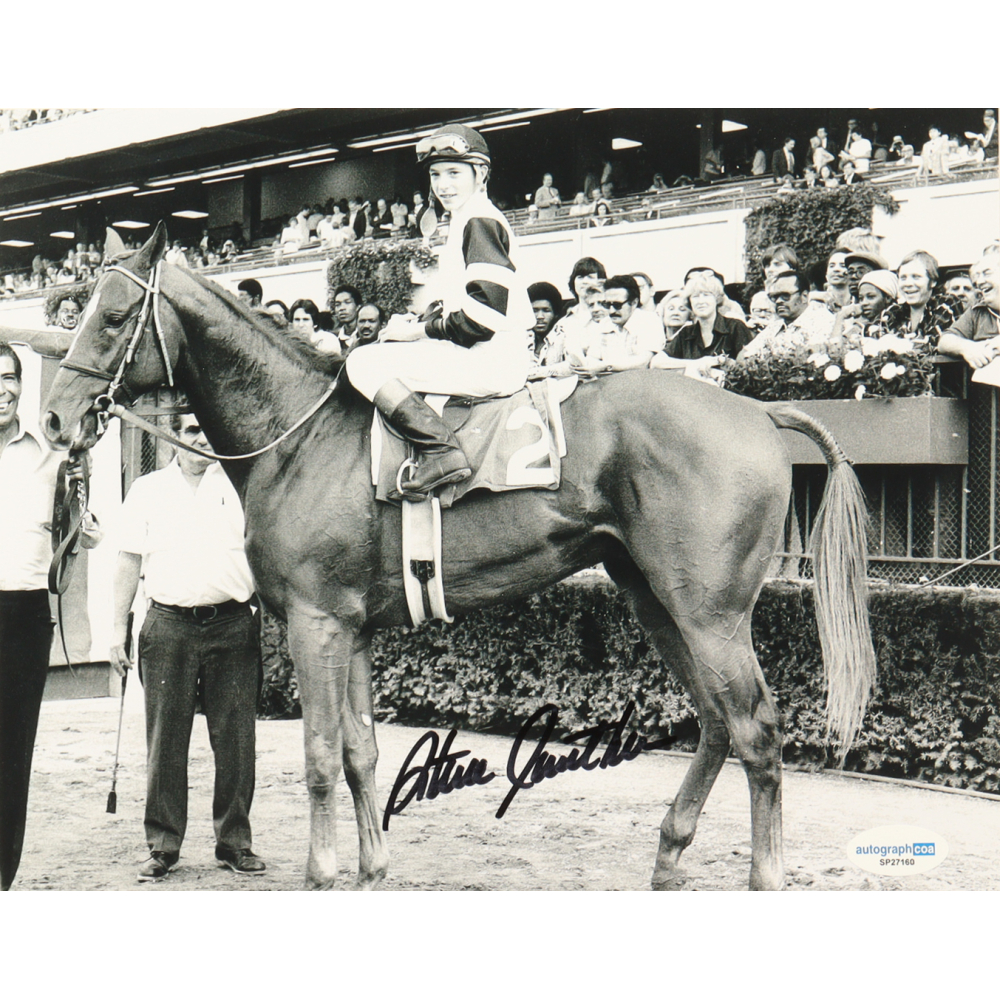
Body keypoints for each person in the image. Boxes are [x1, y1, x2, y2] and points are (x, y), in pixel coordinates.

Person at [111, 411, 264, 882]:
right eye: (191, 430)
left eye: (207, 429)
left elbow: (267, 551)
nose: (201, 440)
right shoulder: (148, 490)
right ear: (172, 436)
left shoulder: (244, 485)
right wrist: (117, 627)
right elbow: (127, 558)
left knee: (237, 741)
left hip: (233, 625)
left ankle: (235, 843)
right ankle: (162, 846)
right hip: (168, 626)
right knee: (165, 742)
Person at [344, 124, 534, 497]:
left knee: (362, 363)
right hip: (482, 352)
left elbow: (484, 318)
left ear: (480, 174)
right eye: (435, 175)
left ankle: (441, 451)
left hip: (491, 359)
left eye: (454, 172)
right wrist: (419, 323)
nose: (443, 184)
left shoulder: (480, 220)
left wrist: (416, 332)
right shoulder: (468, 217)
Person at [1, 342, 100, 891]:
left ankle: (2, 878)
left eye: (9, 377)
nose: (2, 388)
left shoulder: (50, 453)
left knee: (13, 752)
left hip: (23, 614)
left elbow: (81, 527)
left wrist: (84, 515)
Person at [650, 273, 753, 379]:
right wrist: (695, 363)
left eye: (706, 295)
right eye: (695, 296)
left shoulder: (735, 327)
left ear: (716, 299)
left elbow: (750, 367)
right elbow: (656, 362)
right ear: (689, 302)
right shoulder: (686, 333)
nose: (701, 301)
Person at [741, 269, 836, 356]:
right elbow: (743, 355)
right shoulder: (774, 326)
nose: (778, 301)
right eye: (775, 296)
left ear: (804, 296)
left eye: (786, 295)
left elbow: (813, 358)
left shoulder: (822, 322)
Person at [877, 250, 962, 346]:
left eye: (916, 277)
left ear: (933, 281)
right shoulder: (894, 311)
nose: (908, 284)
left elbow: (933, 343)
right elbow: (875, 336)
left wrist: (891, 342)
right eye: (903, 278)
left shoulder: (946, 304)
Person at [938, 253, 1000, 367]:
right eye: (977, 277)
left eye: (987, 273)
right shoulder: (977, 311)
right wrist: (967, 347)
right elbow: (944, 341)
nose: (980, 282)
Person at [527, 281, 565, 361]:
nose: (540, 316)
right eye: (535, 310)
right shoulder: (521, 340)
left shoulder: (564, 341)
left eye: (546, 310)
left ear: (555, 314)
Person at [332, 284, 362, 351]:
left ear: (358, 307)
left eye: (347, 302)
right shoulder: (333, 339)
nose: (342, 308)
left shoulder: (366, 334)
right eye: (338, 304)